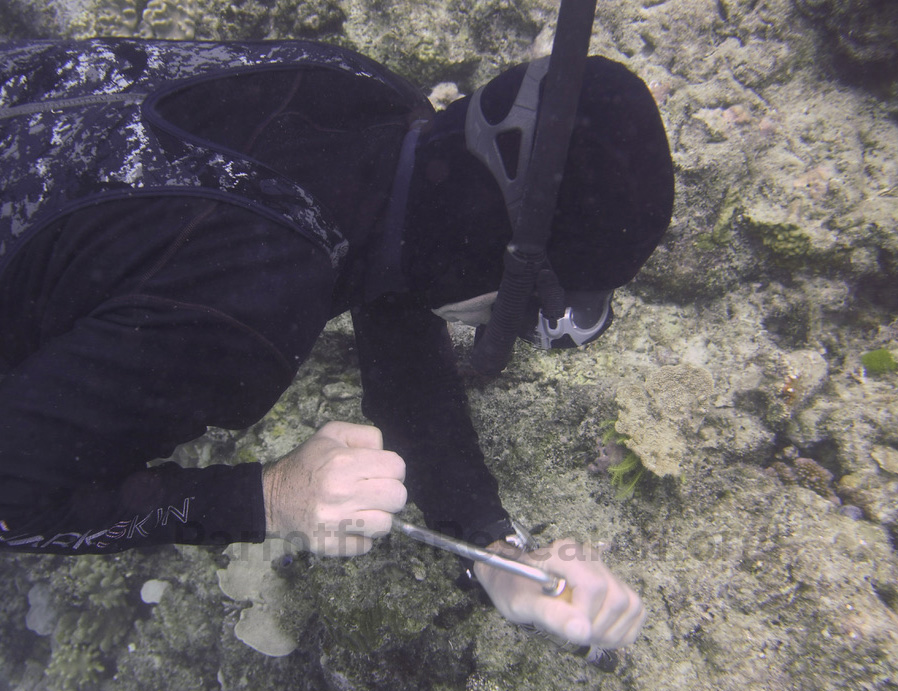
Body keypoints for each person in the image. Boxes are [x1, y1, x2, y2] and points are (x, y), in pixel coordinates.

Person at [0, 37, 674, 652]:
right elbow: (13, 504)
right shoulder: (248, 313)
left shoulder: (367, 95)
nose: (504, 326)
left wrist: (493, 548)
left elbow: (405, 332)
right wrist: (268, 497)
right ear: (489, 261)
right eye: (528, 312)